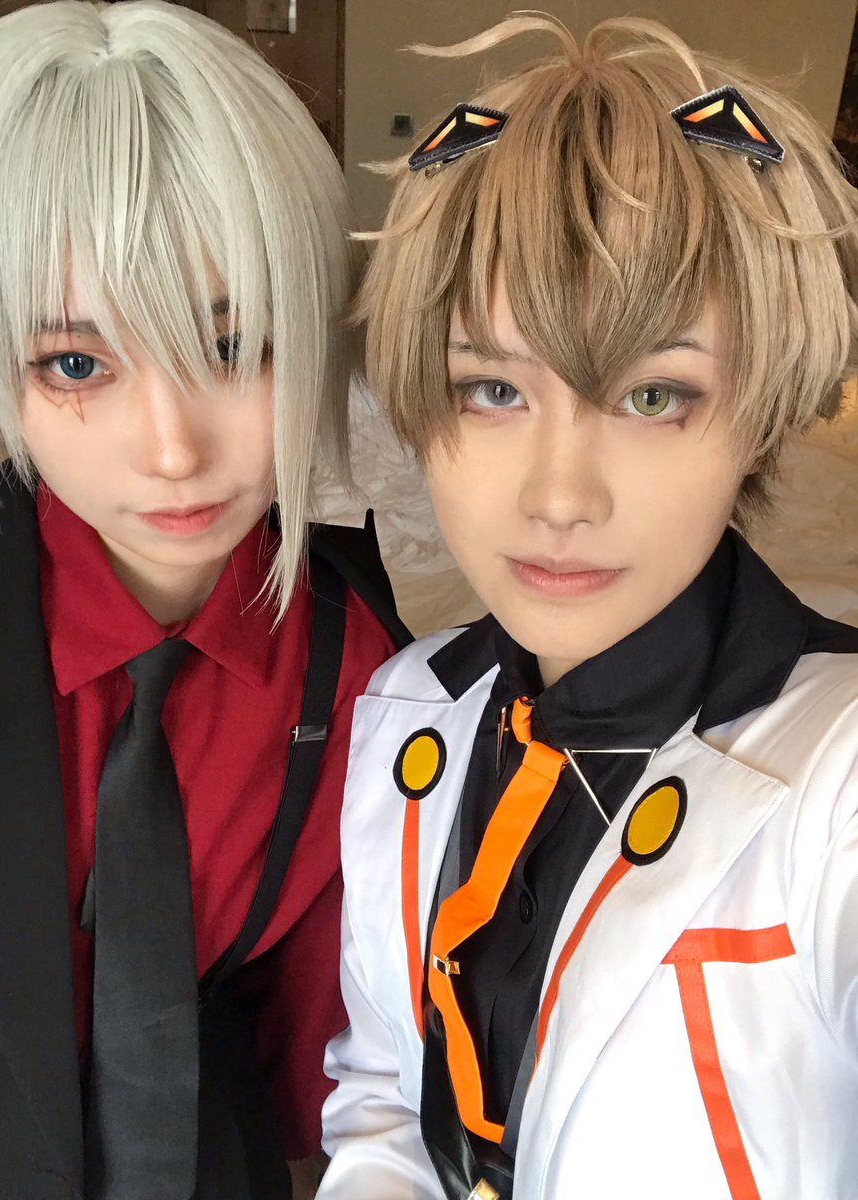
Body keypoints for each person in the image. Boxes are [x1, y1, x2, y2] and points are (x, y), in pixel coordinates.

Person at [319, 14, 858, 1200]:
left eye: (652, 396)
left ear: (761, 414)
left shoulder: (837, 782)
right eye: (490, 388)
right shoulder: (407, 707)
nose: (559, 496)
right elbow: (386, 1096)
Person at [0, 3, 407, 1198]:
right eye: (77, 364)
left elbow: (321, 1053)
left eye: (234, 344)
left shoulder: (362, 676)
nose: (171, 450)